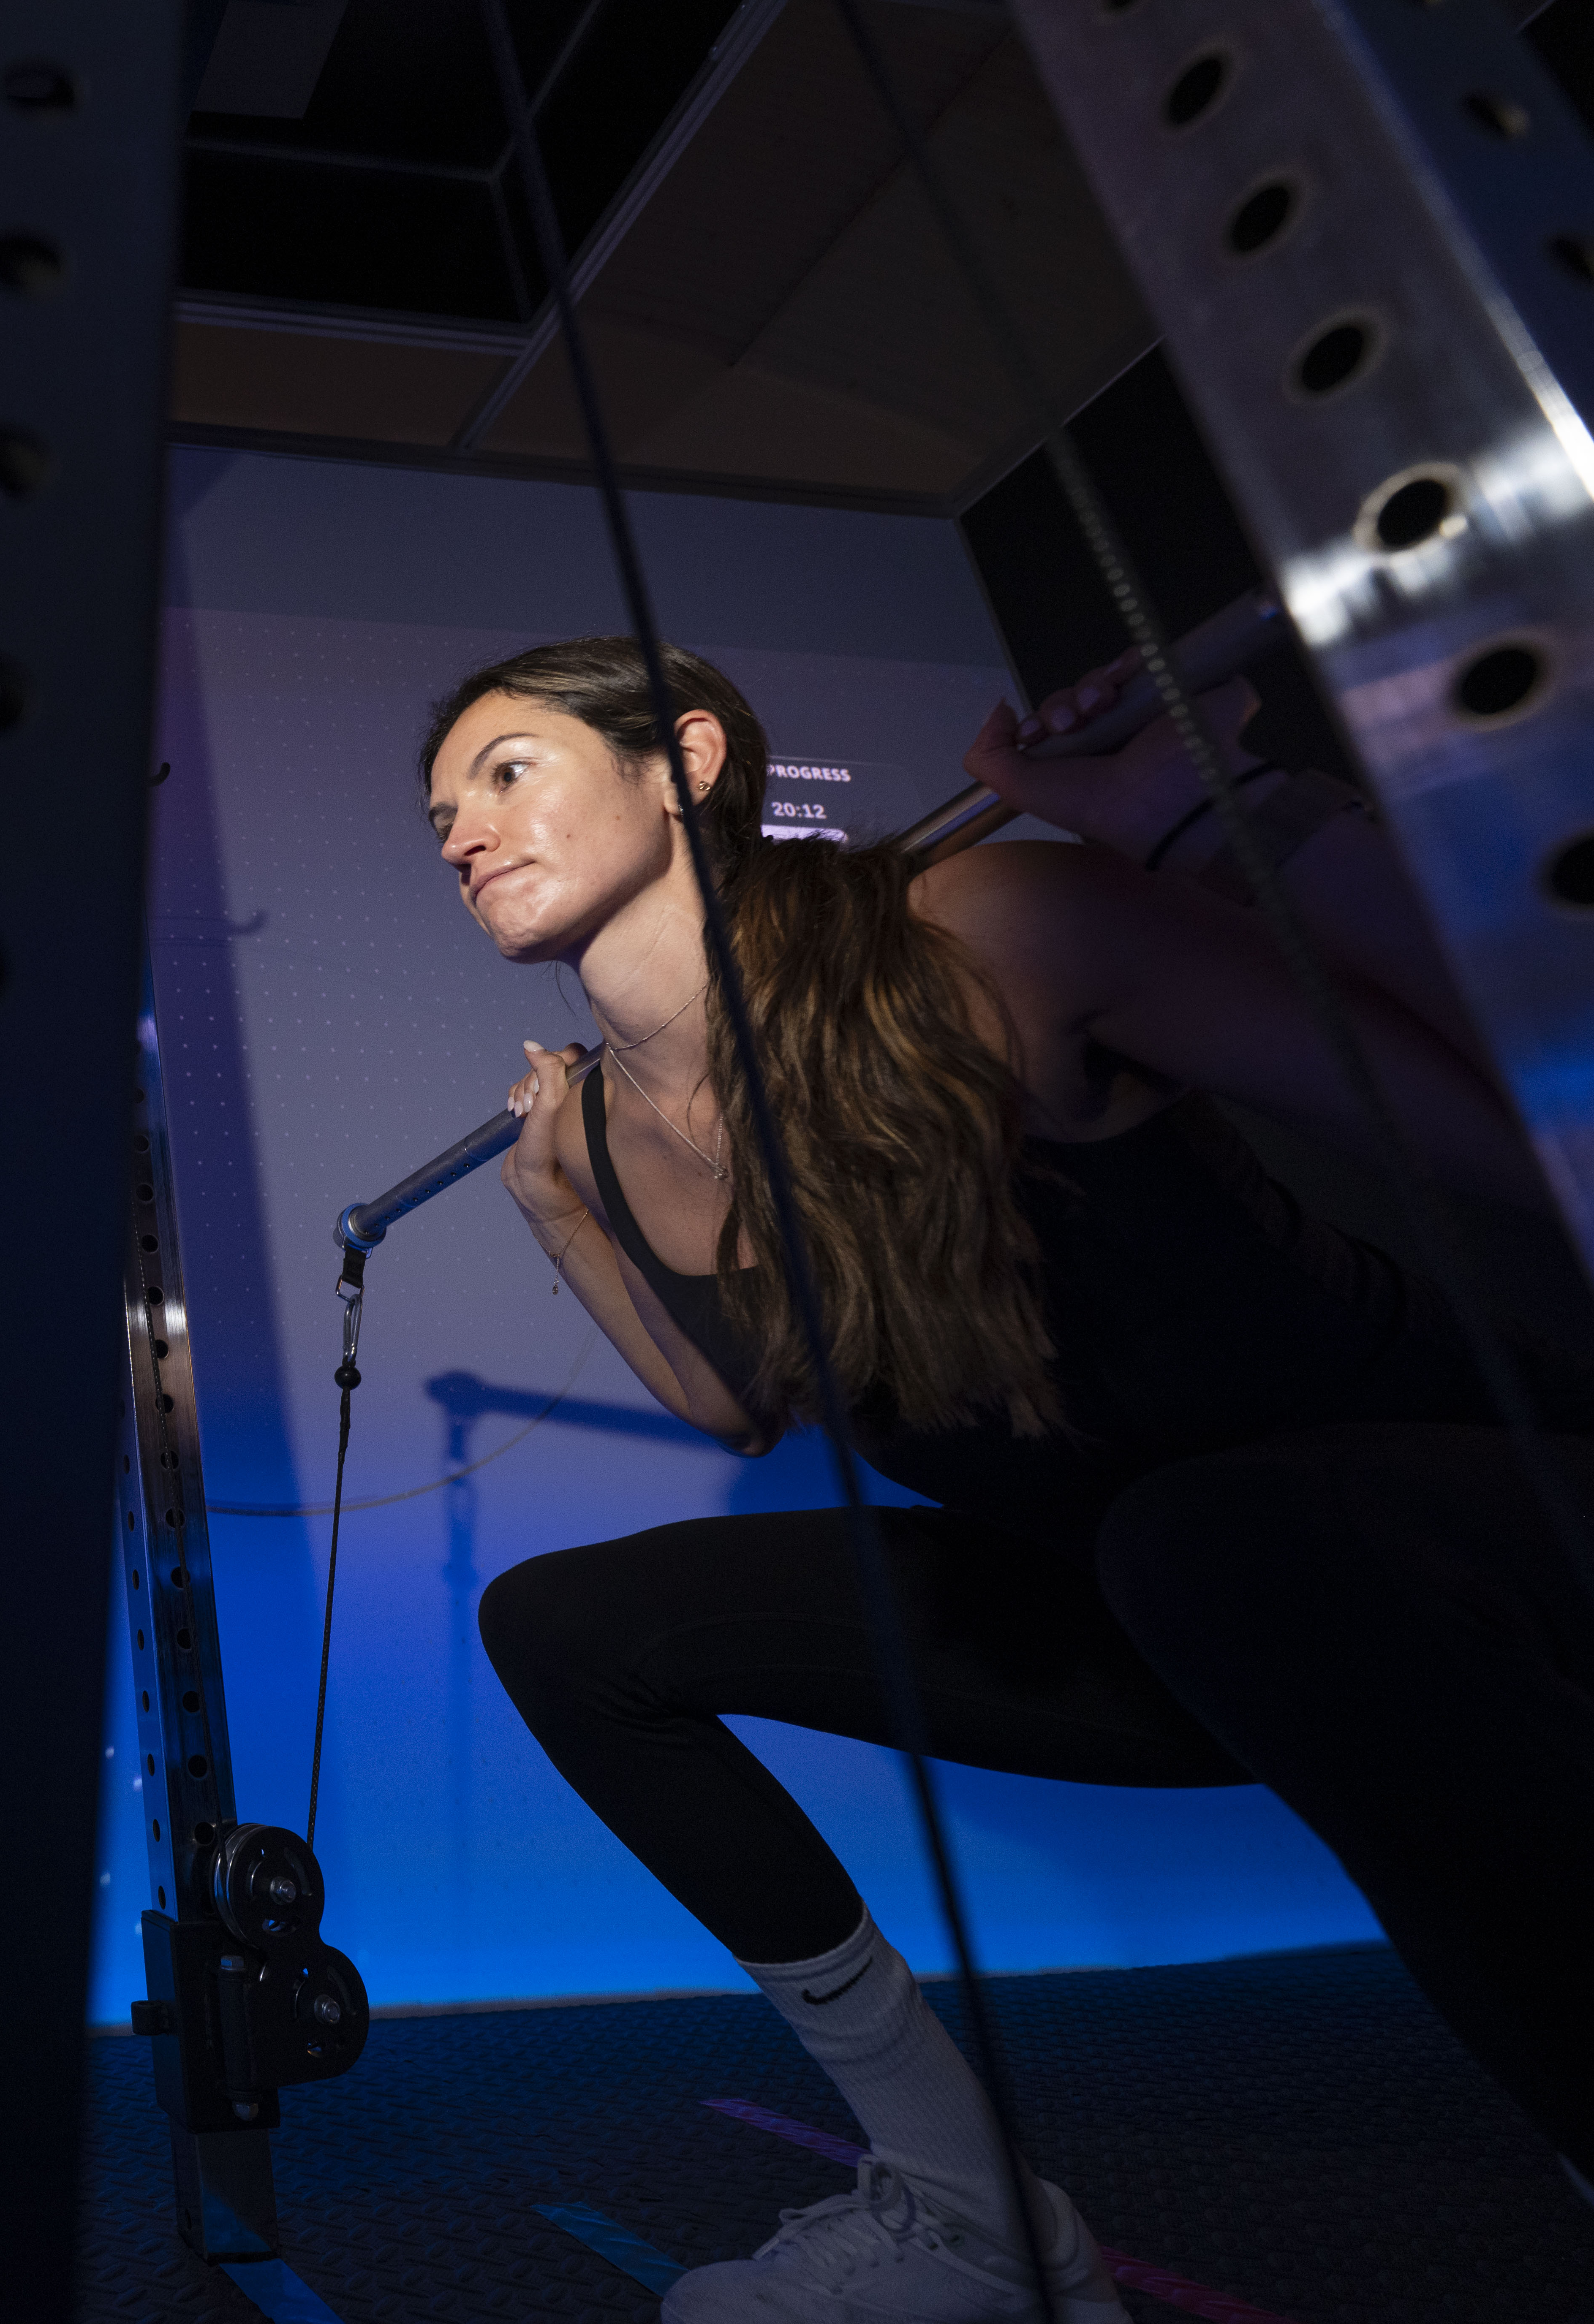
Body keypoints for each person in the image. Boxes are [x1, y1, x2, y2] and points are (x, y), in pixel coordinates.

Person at [427, 635, 1594, 2321]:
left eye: (505, 770)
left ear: (683, 759)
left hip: (1499, 1533)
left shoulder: (981, 930)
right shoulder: (617, 1127)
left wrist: (1214, 816)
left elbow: (1546, 1116)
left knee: (1214, 1539)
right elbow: (745, 1404)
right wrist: (561, 1216)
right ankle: (970, 2214)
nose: (460, 830)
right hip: (1170, 1608)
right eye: (439, 809)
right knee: (567, 1624)